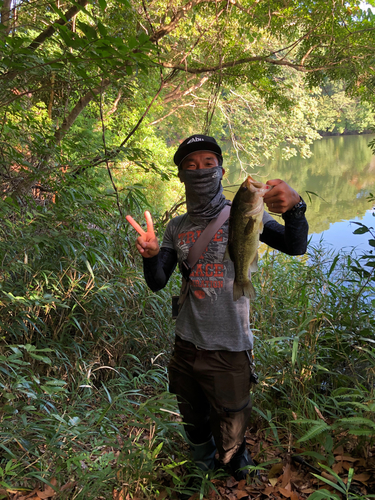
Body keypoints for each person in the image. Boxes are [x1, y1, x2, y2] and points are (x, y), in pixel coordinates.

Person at [126, 134, 308, 482]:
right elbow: (158, 281)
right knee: (192, 415)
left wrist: (296, 208)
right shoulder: (176, 227)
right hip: (186, 343)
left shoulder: (242, 211)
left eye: (208, 163)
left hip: (230, 346)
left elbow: (294, 245)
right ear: (181, 176)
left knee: (231, 419)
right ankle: (201, 465)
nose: (200, 171)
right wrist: (150, 257)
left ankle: (235, 463)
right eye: (190, 166)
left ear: (222, 170)